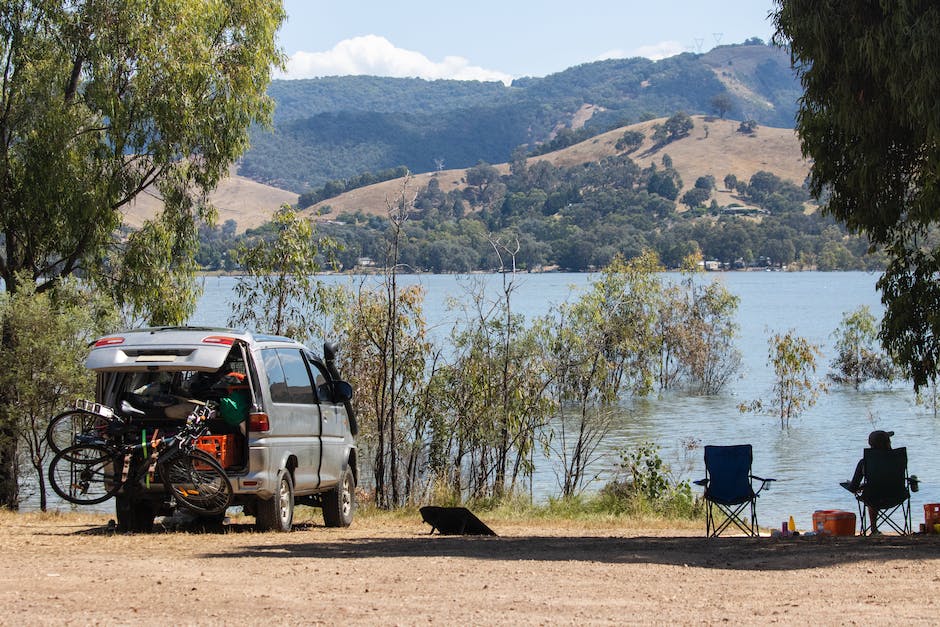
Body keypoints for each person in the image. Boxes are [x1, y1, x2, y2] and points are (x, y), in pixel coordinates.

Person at [841, 430, 904, 534]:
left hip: (873, 497)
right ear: (888, 443)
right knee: (874, 491)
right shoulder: (899, 458)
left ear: (870, 444)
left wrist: (859, 486)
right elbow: (889, 478)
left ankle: (874, 529)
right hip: (898, 495)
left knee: (872, 494)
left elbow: (853, 488)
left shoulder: (865, 462)